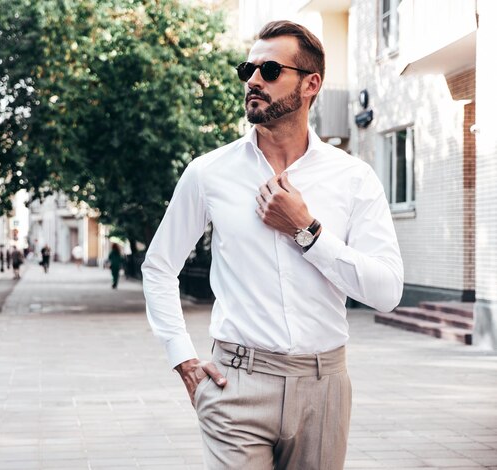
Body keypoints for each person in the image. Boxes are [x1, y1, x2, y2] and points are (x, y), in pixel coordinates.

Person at [142, 20, 403, 470]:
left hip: (324, 388)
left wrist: (308, 231)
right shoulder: (209, 172)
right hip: (236, 386)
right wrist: (182, 357)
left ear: (310, 84)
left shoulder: (352, 177)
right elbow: (159, 266)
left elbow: (386, 292)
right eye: (248, 69)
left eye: (268, 69)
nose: (253, 81)